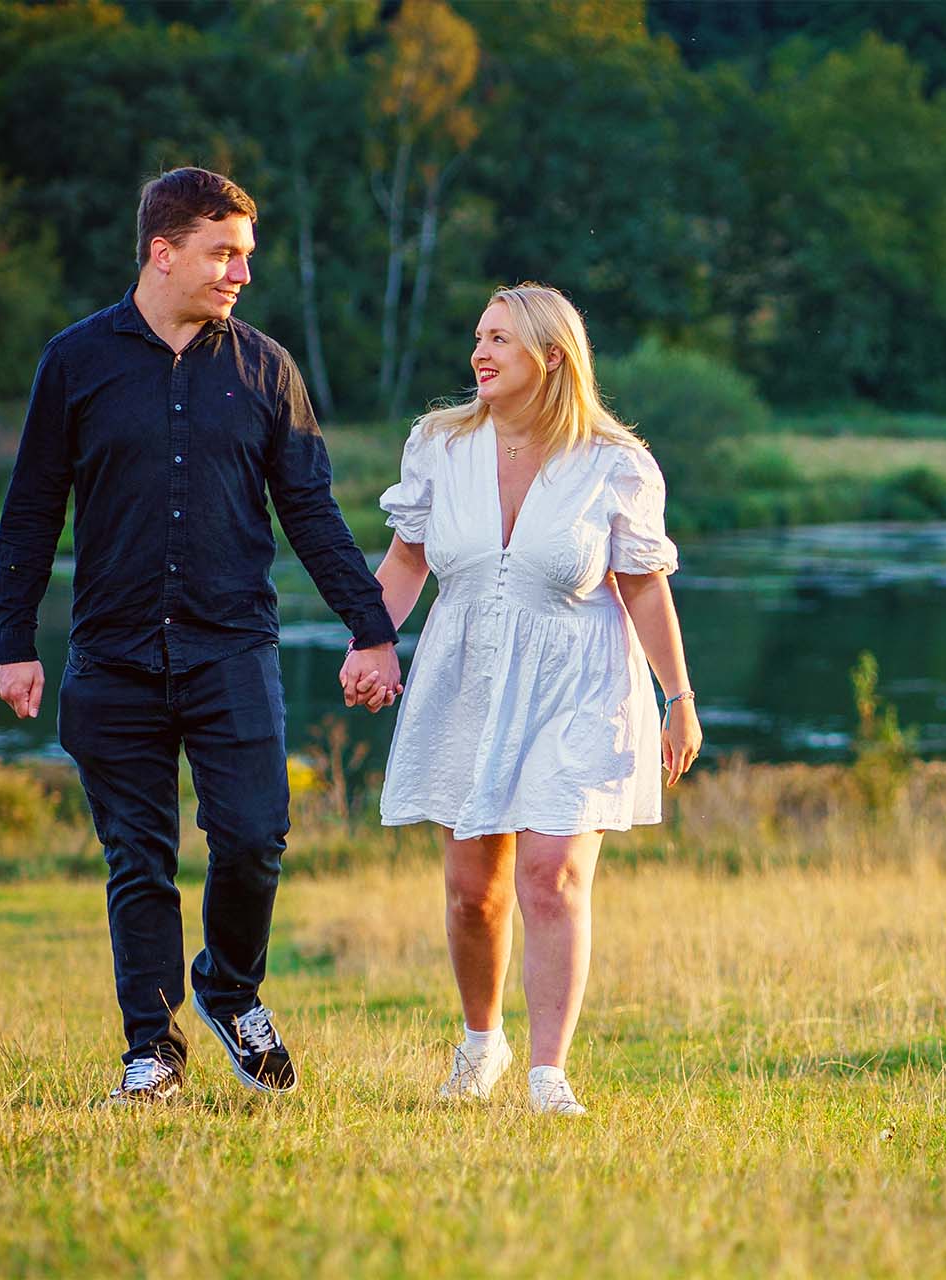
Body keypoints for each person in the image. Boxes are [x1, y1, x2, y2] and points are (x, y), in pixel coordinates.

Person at [0, 167, 404, 1105]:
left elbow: (311, 513)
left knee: (255, 837)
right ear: (162, 251)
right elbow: (30, 512)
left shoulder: (266, 368)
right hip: (113, 656)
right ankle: (152, 1051)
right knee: (138, 859)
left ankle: (229, 986)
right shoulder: (76, 362)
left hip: (232, 650)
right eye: (223, 254)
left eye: (247, 257)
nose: (239, 275)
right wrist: (14, 638)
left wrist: (371, 630)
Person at [352, 283, 702, 1116]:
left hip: (581, 683)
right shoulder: (439, 445)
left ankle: (550, 1074)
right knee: (475, 891)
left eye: (499, 340)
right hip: (467, 675)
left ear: (550, 356)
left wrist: (678, 696)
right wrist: (371, 639)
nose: (479, 353)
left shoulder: (615, 464)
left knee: (553, 875)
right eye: (478, 337)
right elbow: (407, 563)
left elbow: (644, 589)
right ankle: (484, 1043)